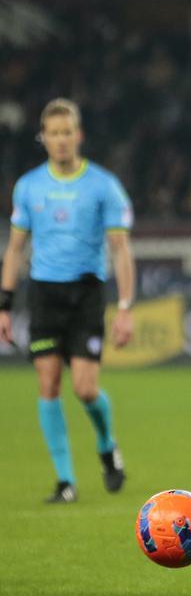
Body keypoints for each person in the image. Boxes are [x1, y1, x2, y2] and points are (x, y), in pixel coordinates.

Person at [0, 98, 135, 503]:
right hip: (42, 293)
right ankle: (65, 482)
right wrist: (4, 304)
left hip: (85, 293)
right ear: (44, 138)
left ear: (78, 136)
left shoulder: (103, 186)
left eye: (67, 133)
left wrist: (125, 306)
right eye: (53, 133)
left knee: (86, 388)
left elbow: (121, 249)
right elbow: (15, 248)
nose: (60, 141)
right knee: (48, 384)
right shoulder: (28, 186)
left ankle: (108, 446)